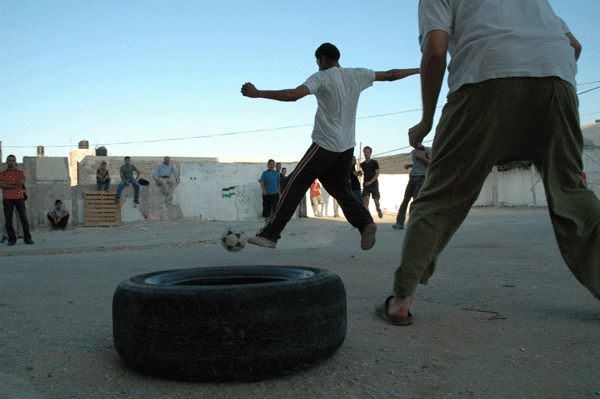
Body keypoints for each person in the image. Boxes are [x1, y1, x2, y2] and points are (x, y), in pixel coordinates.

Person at [376, 0, 597, 327]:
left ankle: (400, 302)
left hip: (484, 76)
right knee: (571, 192)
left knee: (441, 195)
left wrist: (425, 122)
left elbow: (436, 50)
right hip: (556, 78)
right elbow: (574, 46)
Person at [241, 42, 419, 249]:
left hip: (324, 146)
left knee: (293, 184)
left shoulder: (321, 77)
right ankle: (365, 223)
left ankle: (270, 233)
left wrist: (259, 93)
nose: (317, 65)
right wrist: (419, 69)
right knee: (341, 190)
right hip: (346, 149)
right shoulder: (357, 74)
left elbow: (294, 95)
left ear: (323, 58)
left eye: (317, 61)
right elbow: (390, 74)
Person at [393, 144, 431, 229]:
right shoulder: (414, 151)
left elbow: (431, 162)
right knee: (406, 199)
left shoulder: (427, 150)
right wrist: (409, 165)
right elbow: (417, 164)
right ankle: (399, 222)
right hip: (413, 177)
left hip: (422, 177)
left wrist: (422, 157)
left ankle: (412, 223)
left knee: (415, 200)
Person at [0, 155, 33, 246]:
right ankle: (12, 239)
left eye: (13, 160)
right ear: (7, 162)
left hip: (19, 198)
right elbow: (2, 185)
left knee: (24, 219)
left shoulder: (20, 172)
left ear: (15, 162)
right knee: (8, 220)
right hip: (7, 199)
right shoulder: (2, 173)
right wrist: (16, 185)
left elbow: (22, 182)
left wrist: (9, 185)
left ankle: (27, 238)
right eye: (9, 160)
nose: (11, 162)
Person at [361, 146, 383, 219]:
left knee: (376, 201)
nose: (366, 154)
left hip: (373, 184)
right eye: (365, 152)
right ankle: (367, 216)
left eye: (368, 152)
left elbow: (377, 174)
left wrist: (370, 182)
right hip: (366, 184)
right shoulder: (362, 164)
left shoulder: (374, 162)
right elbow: (363, 173)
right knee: (366, 198)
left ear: (370, 153)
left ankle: (378, 209)